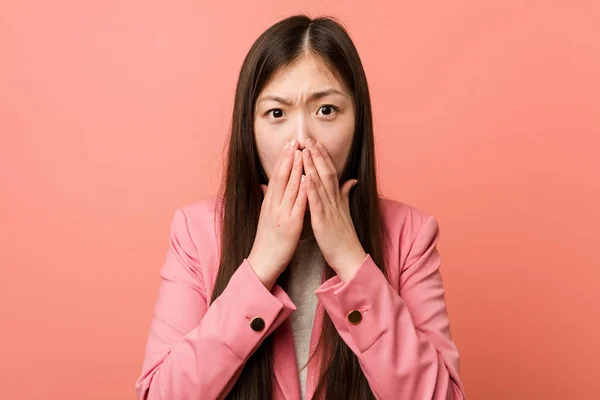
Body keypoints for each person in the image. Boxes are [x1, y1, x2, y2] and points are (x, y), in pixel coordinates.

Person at [135, 14, 465, 400]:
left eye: (326, 110)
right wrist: (260, 266)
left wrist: (351, 260)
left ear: (358, 122)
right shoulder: (196, 232)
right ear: (250, 129)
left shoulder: (410, 235)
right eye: (277, 113)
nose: (302, 138)